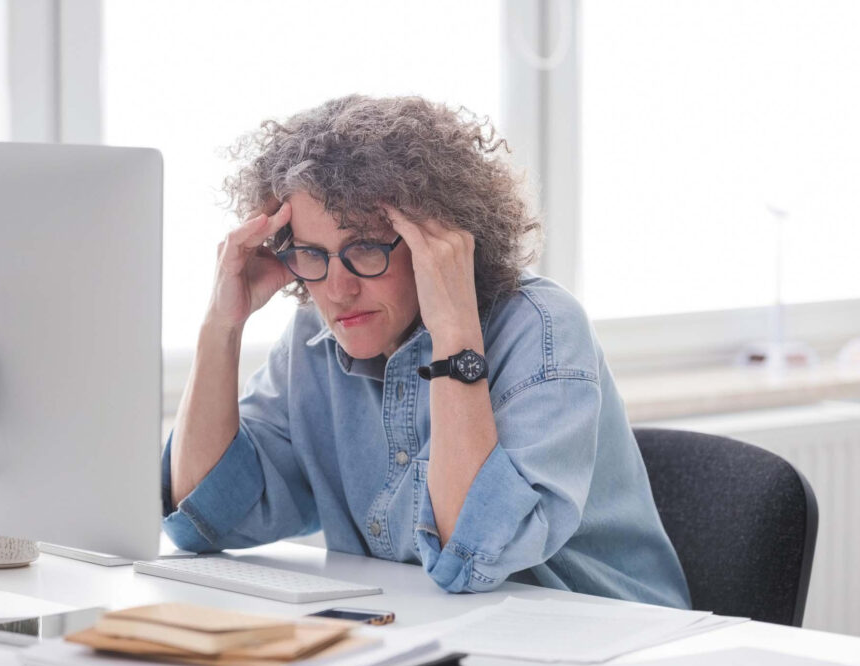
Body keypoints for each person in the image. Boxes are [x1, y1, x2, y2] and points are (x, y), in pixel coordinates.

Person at [161, 94, 690, 608]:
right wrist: (222, 324)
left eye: (365, 247)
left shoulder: (542, 328)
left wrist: (453, 327)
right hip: (432, 637)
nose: (338, 288)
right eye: (311, 254)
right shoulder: (312, 339)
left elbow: (471, 556)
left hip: (606, 641)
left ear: (439, 241)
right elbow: (205, 517)